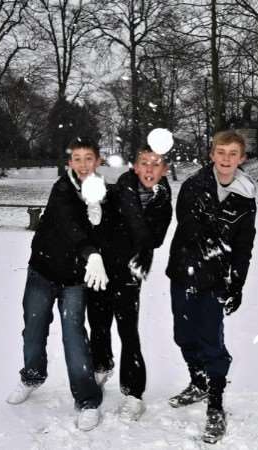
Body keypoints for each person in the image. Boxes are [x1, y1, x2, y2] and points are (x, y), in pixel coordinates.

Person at [7, 137, 109, 432]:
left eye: (88, 158)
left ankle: (88, 400)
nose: (82, 164)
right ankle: (33, 376)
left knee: (74, 337)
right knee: (34, 330)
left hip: (75, 279)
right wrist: (90, 251)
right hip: (43, 271)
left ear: (97, 161)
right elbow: (70, 225)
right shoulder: (62, 189)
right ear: (69, 164)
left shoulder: (103, 194)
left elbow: (112, 227)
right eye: (76, 159)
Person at [166, 130, 256, 444]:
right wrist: (218, 250)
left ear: (242, 158)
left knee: (211, 342)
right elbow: (191, 230)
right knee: (183, 335)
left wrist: (237, 283)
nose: (226, 159)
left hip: (215, 282)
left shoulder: (246, 195)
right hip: (184, 272)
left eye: (233, 153)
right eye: (221, 152)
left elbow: (243, 245)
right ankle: (199, 381)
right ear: (212, 154)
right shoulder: (194, 186)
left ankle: (215, 404)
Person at [87, 145, 172, 421]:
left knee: (128, 330)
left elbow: (156, 239)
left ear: (164, 170)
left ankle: (134, 392)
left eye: (156, 164)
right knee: (98, 321)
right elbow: (97, 221)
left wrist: (139, 234)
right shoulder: (120, 189)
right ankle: (101, 365)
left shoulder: (162, 200)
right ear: (134, 167)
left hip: (130, 271)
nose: (149, 169)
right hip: (102, 267)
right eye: (144, 163)